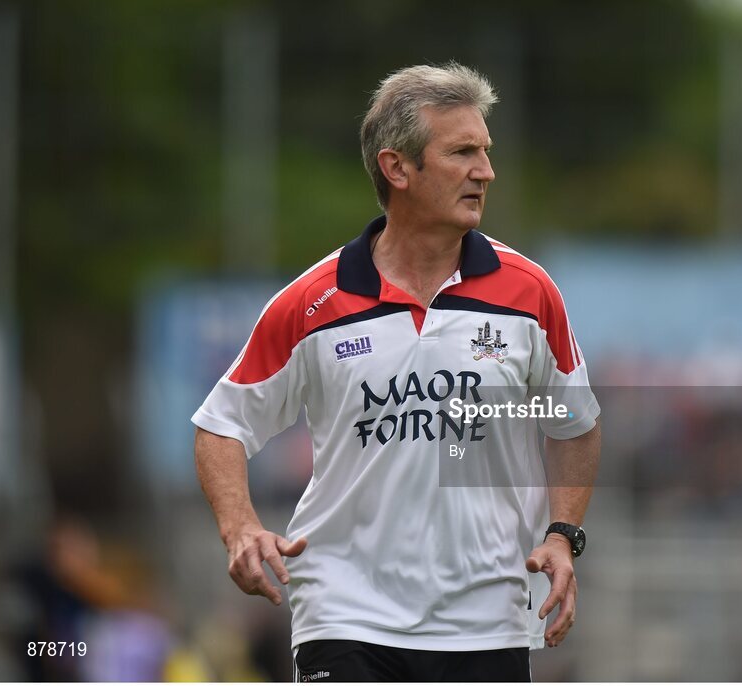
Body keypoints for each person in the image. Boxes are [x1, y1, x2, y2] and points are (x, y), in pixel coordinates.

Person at [192, 62, 601, 682]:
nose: (485, 171)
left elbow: (575, 424)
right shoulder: (311, 304)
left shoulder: (530, 292)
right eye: (462, 152)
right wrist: (240, 527)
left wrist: (563, 534)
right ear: (398, 168)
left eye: (485, 152)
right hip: (344, 613)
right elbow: (221, 425)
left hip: (486, 616)